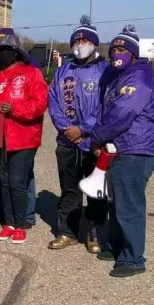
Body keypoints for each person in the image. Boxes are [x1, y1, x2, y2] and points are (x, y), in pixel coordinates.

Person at [90, 25, 154, 278]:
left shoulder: (137, 78)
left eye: (122, 49)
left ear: (133, 53)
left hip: (136, 147)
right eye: (114, 49)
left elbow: (123, 114)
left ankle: (133, 259)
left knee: (129, 205)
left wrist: (96, 137)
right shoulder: (118, 77)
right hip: (122, 146)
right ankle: (118, 246)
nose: (117, 53)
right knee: (117, 201)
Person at [47, 17, 110, 252]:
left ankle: (94, 232)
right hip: (67, 141)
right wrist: (67, 129)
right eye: (76, 40)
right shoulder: (63, 70)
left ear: (94, 43)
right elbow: (53, 102)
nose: (80, 44)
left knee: (96, 190)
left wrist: (83, 129)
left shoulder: (105, 71)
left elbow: (106, 106)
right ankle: (67, 232)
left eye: (85, 40)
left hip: (94, 141)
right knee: (70, 189)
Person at [0, 34, 48, 244]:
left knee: (17, 182)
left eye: (8, 50)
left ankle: (21, 224)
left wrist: (15, 109)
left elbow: (39, 104)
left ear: (16, 52)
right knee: (2, 182)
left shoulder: (32, 73)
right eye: (0, 50)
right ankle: (8, 223)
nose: (3, 53)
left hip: (23, 136)